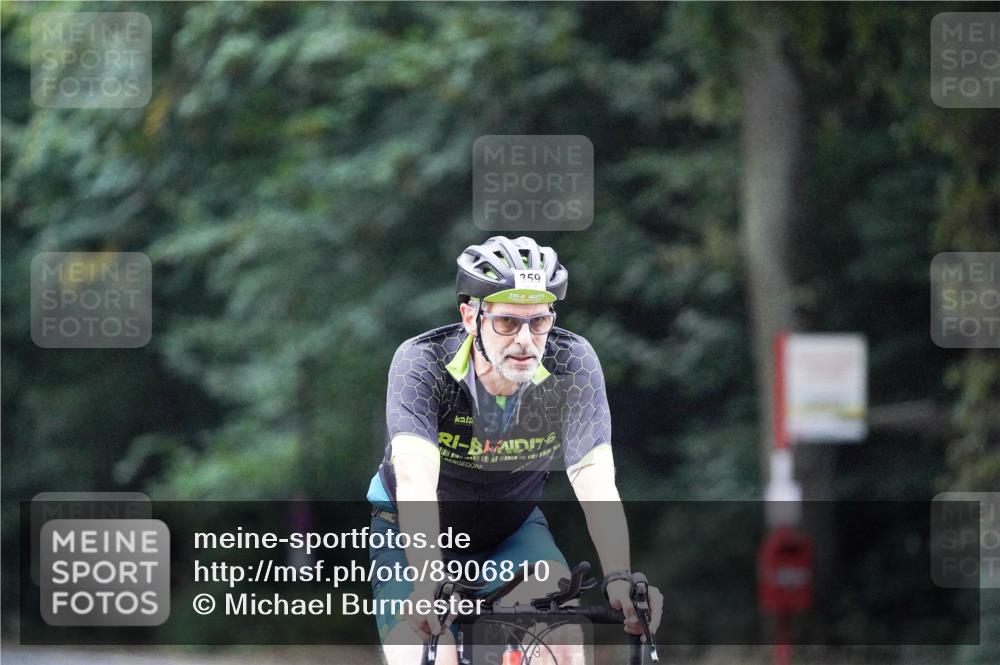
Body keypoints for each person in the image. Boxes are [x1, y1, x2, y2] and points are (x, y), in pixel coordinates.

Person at [367, 236, 662, 664]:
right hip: (408, 532)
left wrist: (619, 578)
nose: (525, 340)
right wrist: (429, 580)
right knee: (429, 653)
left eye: (539, 322)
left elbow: (595, 479)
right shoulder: (423, 363)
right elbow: (414, 479)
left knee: (561, 638)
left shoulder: (572, 365)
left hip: (512, 533)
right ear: (471, 317)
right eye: (507, 322)